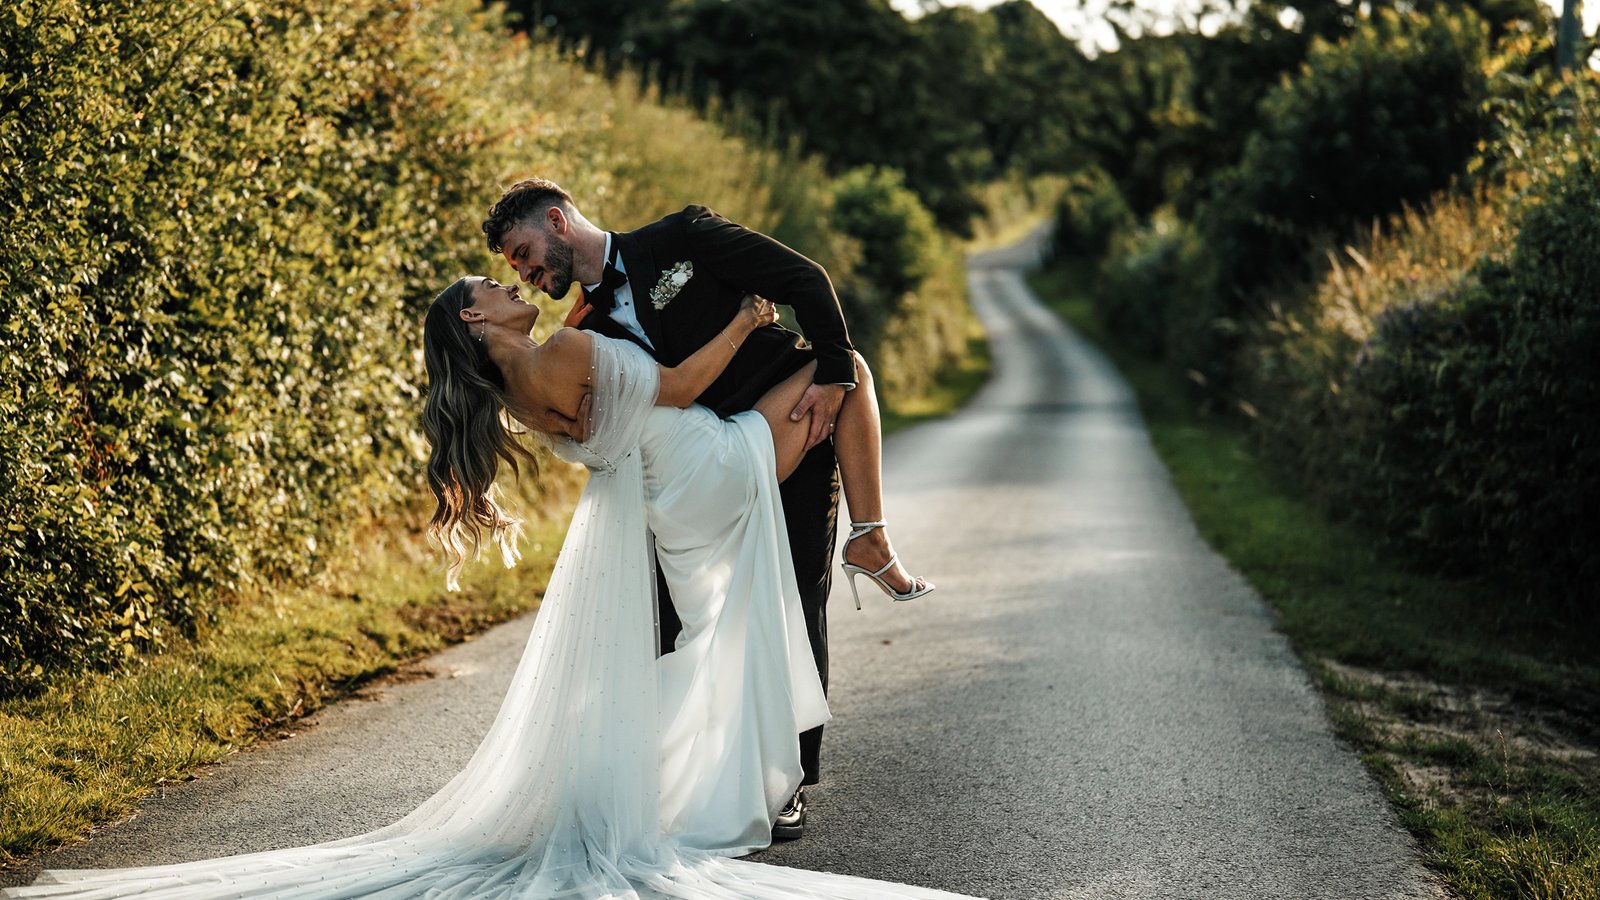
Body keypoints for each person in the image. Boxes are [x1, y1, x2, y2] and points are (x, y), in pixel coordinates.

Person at [5, 277, 960, 900]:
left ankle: (829, 596)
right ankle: (870, 541)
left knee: (724, 616)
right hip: (702, 460)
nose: (512, 286)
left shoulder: (520, 384)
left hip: (667, 497)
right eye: (495, 288)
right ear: (474, 318)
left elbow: (605, 399)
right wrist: (751, 321)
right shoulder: (564, 358)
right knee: (850, 369)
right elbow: (672, 387)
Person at [480, 179, 869, 838]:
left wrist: (833, 375)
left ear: (556, 221)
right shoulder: (582, 329)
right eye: (513, 267)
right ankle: (684, 775)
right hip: (690, 479)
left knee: (798, 592)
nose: (522, 271)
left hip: (788, 426)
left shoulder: (682, 238)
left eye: (523, 252)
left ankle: (791, 782)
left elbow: (804, 279)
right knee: (671, 621)